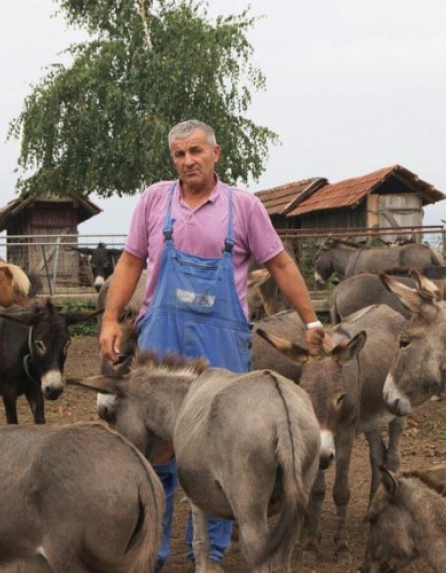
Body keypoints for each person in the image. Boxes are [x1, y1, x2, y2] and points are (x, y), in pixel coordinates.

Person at [99, 119, 327, 570]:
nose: (188, 161)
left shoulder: (243, 208)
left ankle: (210, 557)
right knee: (156, 453)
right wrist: (110, 317)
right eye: (179, 154)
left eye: (196, 151)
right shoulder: (154, 201)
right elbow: (130, 261)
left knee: (226, 453)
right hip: (161, 343)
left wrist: (312, 319)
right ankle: (152, 552)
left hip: (220, 345)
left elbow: (280, 264)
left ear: (215, 153)